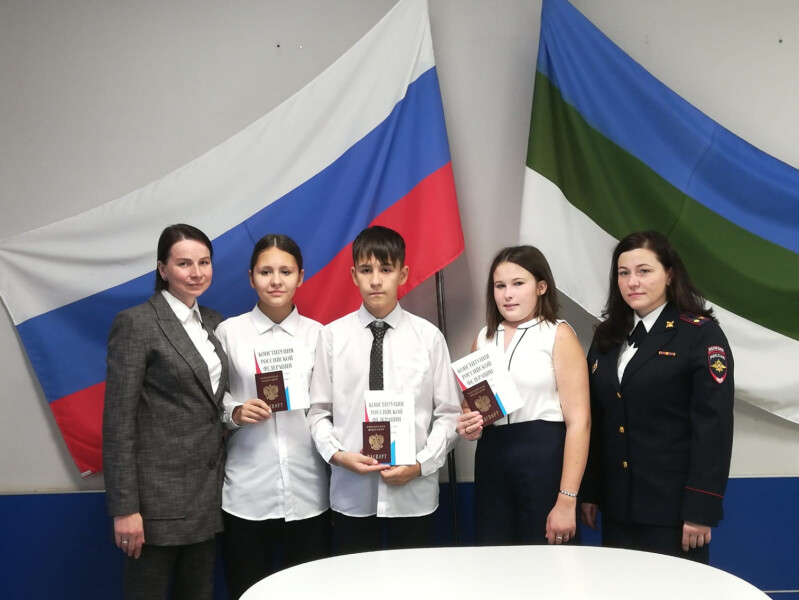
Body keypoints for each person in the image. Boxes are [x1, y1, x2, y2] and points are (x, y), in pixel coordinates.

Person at [580, 230, 734, 563]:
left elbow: (713, 428)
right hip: (617, 505)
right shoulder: (607, 335)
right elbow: (598, 417)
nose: (632, 282)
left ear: (670, 275)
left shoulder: (699, 334)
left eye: (644, 271)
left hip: (673, 511)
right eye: (623, 273)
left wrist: (701, 507)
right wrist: (590, 490)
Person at [307, 225, 461, 553]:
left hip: (414, 492)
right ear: (353, 275)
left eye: (386, 269)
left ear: (402, 274)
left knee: (413, 577)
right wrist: (338, 455)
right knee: (355, 577)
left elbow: (449, 414)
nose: (376, 280)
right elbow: (318, 412)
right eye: (366, 270)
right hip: (352, 492)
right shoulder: (332, 337)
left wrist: (420, 464)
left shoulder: (428, 337)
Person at [103, 224, 228, 599]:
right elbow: (118, 423)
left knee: (199, 593)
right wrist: (125, 508)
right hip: (156, 503)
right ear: (162, 269)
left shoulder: (215, 322)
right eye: (184, 263)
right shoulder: (137, 323)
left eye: (204, 262)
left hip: (207, 496)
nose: (196, 272)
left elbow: (214, 403)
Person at [214, 234, 330, 599]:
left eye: (285, 271)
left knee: (312, 593)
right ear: (251, 278)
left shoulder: (318, 335)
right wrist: (235, 411)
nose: (276, 281)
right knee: (246, 590)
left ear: (301, 276)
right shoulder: (229, 332)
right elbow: (211, 398)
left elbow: (327, 406)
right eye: (265, 272)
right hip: (247, 491)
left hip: (308, 489)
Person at [456, 246, 590, 546]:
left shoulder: (558, 334)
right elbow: (470, 406)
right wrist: (467, 423)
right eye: (500, 286)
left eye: (518, 284)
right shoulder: (483, 338)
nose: (508, 294)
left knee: (548, 561)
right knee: (495, 557)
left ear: (541, 287)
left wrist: (567, 499)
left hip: (544, 458)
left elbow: (580, 422)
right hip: (491, 461)